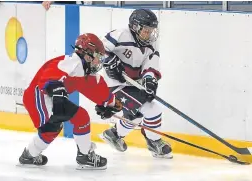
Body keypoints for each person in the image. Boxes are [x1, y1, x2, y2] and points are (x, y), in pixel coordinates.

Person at [18, 33, 123, 170]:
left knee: (53, 128)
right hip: (38, 96)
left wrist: (111, 104)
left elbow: (95, 87)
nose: (99, 62)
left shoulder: (83, 70)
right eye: (97, 57)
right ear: (87, 55)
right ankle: (85, 156)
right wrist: (56, 89)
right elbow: (48, 76)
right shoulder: (72, 62)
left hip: (43, 97)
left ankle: (29, 156)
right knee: (79, 117)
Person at [99, 8, 173, 159]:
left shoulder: (151, 43)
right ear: (135, 26)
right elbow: (99, 50)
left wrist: (150, 80)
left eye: (151, 30)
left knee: (136, 115)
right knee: (152, 109)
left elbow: (151, 65)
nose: (149, 34)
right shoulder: (120, 34)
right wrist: (108, 59)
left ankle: (114, 134)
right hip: (111, 84)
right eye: (146, 30)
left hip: (132, 84)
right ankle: (154, 142)